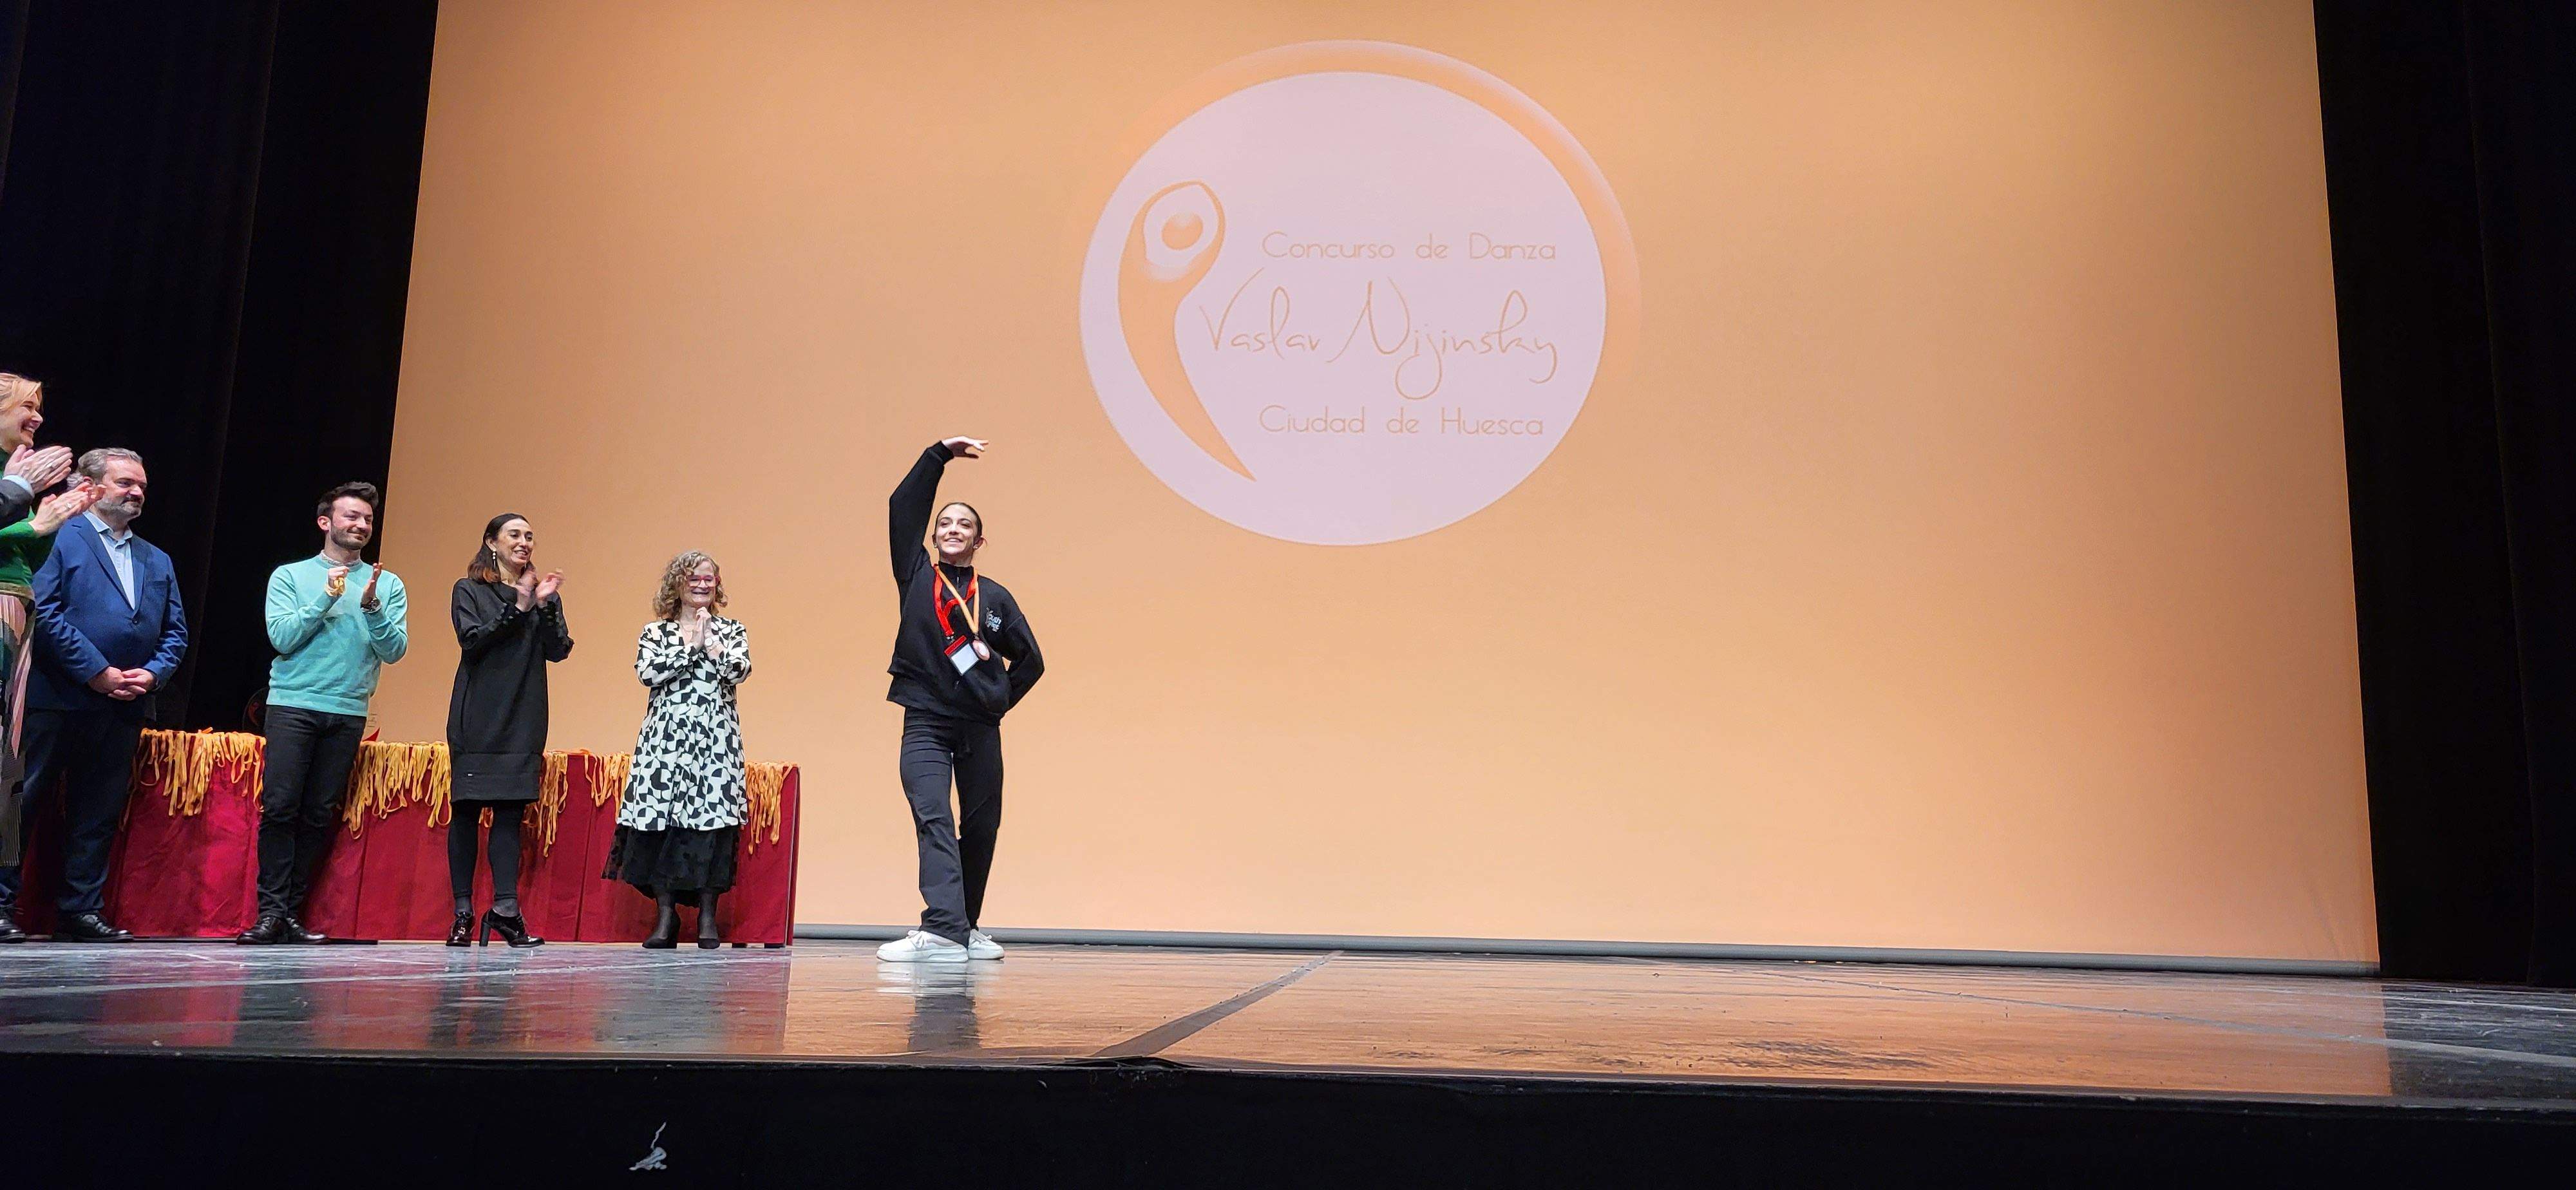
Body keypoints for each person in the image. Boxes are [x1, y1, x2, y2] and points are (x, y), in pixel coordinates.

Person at [3, 449, 186, 941]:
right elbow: (44, 609)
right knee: (21, 803)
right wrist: (96, 671)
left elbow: (175, 633)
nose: (137, 491)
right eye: (126, 482)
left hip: (123, 705)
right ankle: (1, 904)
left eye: (142, 485)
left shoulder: (157, 557)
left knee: (97, 811)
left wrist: (150, 675)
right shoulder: (59, 535)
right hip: (56, 696)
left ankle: (80, 909)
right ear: (89, 484)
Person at [877, 436, 1043, 964]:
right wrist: (937, 455)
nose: (953, 530)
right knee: (933, 816)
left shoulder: (993, 598)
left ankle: (964, 927)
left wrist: (996, 701)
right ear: (933, 536)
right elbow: (901, 506)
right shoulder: (916, 576)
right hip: (925, 720)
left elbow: (1032, 662)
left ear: (979, 539)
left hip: (978, 728)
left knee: (980, 825)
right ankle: (943, 929)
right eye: (945, 523)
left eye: (964, 525)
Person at [240, 482, 407, 945]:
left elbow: (394, 651)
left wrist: (371, 607)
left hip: (349, 710)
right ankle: (269, 913)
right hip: (294, 704)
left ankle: (290, 914)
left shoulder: (386, 584)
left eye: (367, 520)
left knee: (317, 814)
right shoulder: (290, 576)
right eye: (351, 517)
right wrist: (326, 597)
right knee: (280, 808)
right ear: (326, 523)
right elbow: (283, 638)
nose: (360, 525)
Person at [605, 551, 752, 949]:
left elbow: (740, 670)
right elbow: (647, 673)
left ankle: (707, 918)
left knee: (709, 829)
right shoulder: (656, 632)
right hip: (664, 745)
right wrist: (692, 647)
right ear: (677, 584)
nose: (703, 585)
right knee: (663, 828)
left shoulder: (732, 629)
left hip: (715, 744)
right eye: (694, 579)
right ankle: (666, 918)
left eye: (710, 579)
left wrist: (714, 647)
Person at [445, 513, 570, 947]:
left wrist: (545, 606)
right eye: (515, 535)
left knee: (511, 814)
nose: (524, 542)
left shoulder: (540, 595)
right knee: (466, 811)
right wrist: (517, 607)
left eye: (530, 536)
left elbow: (559, 651)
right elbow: (473, 640)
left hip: (524, 715)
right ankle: (462, 913)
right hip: (478, 715)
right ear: (491, 543)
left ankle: (506, 910)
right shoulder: (470, 590)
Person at [0, 374, 91, 945]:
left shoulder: (18, 479)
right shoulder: (12, 480)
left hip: (17, 607)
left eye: (40, 409)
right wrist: (26, 508)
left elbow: (24, 553)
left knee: (7, 762)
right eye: (24, 407)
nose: (36, 418)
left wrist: (49, 525)